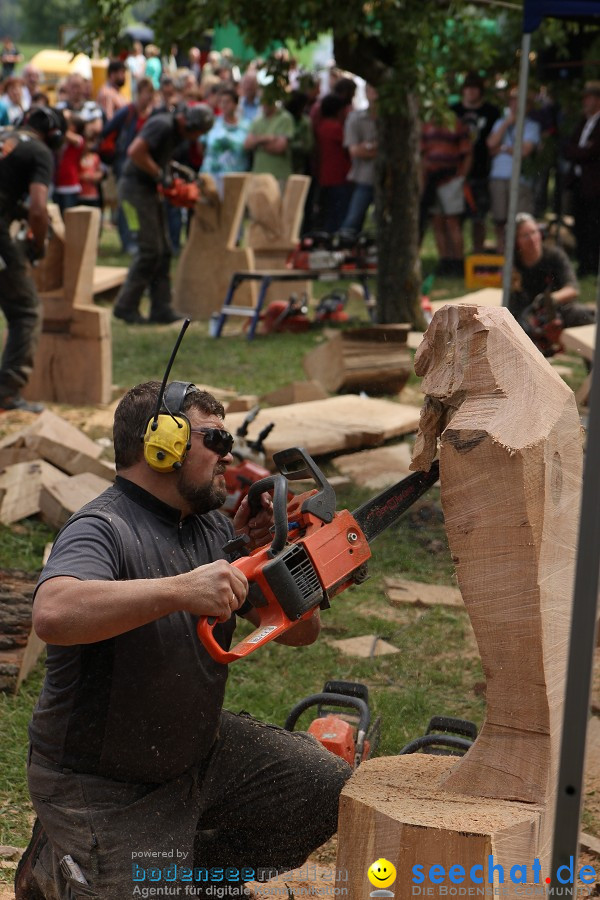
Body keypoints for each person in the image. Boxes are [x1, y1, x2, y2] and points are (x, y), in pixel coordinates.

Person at [15, 379, 351, 900]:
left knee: (326, 787)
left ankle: (192, 876)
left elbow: (303, 634)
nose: (227, 455)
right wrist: (179, 590)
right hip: (100, 784)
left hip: (193, 753)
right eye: (215, 440)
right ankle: (58, 864)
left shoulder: (212, 532)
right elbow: (54, 614)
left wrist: (279, 566)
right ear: (162, 443)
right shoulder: (102, 527)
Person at [113, 102, 214, 324]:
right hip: (133, 191)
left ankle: (161, 307)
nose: (194, 137)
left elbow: (157, 154)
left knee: (164, 250)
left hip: (148, 191)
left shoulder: (176, 133)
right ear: (189, 123)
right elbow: (136, 151)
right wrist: (161, 175)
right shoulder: (162, 125)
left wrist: (175, 169)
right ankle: (125, 305)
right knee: (150, 249)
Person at [0, 105, 66, 412]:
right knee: (25, 309)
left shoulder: (4, 137)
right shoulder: (40, 152)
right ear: (54, 136)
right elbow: (39, 208)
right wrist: (38, 245)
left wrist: (16, 210)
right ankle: (7, 393)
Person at [509, 212, 594, 346]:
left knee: (585, 315)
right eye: (525, 236)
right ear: (516, 241)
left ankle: (593, 364)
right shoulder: (512, 264)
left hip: (558, 311)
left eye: (534, 232)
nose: (532, 239)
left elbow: (572, 288)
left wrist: (550, 300)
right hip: (525, 315)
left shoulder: (555, 256)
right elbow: (512, 300)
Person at [487, 87, 540, 253]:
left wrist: (502, 148)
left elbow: (524, 151)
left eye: (520, 101)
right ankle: (502, 254)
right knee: (500, 219)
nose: (515, 105)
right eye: (512, 101)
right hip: (498, 177)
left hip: (520, 179)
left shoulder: (532, 126)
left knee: (519, 220)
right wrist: (507, 123)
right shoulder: (499, 123)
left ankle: (519, 256)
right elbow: (490, 145)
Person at [451, 72, 500, 253]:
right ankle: (456, 255)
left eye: (475, 89)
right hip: (456, 171)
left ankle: (477, 252)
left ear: (480, 91)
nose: (471, 92)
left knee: (478, 217)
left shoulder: (492, 112)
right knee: (455, 216)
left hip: (482, 171)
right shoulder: (454, 110)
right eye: (468, 88)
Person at [563, 80, 600, 277]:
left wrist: (580, 152)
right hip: (579, 183)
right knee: (581, 225)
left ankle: (592, 264)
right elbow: (570, 148)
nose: (584, 101)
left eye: (588, 97)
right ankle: (584, 263)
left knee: (593, 226)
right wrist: (581, 151)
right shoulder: (583, 122)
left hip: (594, 185)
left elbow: (592, 152)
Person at [340, 83, 378, 234]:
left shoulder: (393, 120)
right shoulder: (355, 118)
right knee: (352, 221)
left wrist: (367, 147)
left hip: (388, 179)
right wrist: (376, 148)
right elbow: (354, 151)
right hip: (363, 178)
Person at [200, 86, 250, 191]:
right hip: (210, 178)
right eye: (221, 102)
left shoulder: (246, 126)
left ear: (236, 104)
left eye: (227, 102)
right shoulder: (212, 124)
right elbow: (201, 146)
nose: (224, 105)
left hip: (236, 179)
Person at [244, 95, 295, 187]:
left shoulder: (285, 118)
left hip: (278, 176)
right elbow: (247, 144)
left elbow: (280, 147)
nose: (264, 104)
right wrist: (266, 139)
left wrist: (257, 143)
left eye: (267, 100)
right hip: (258, 175)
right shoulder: (257, 120)